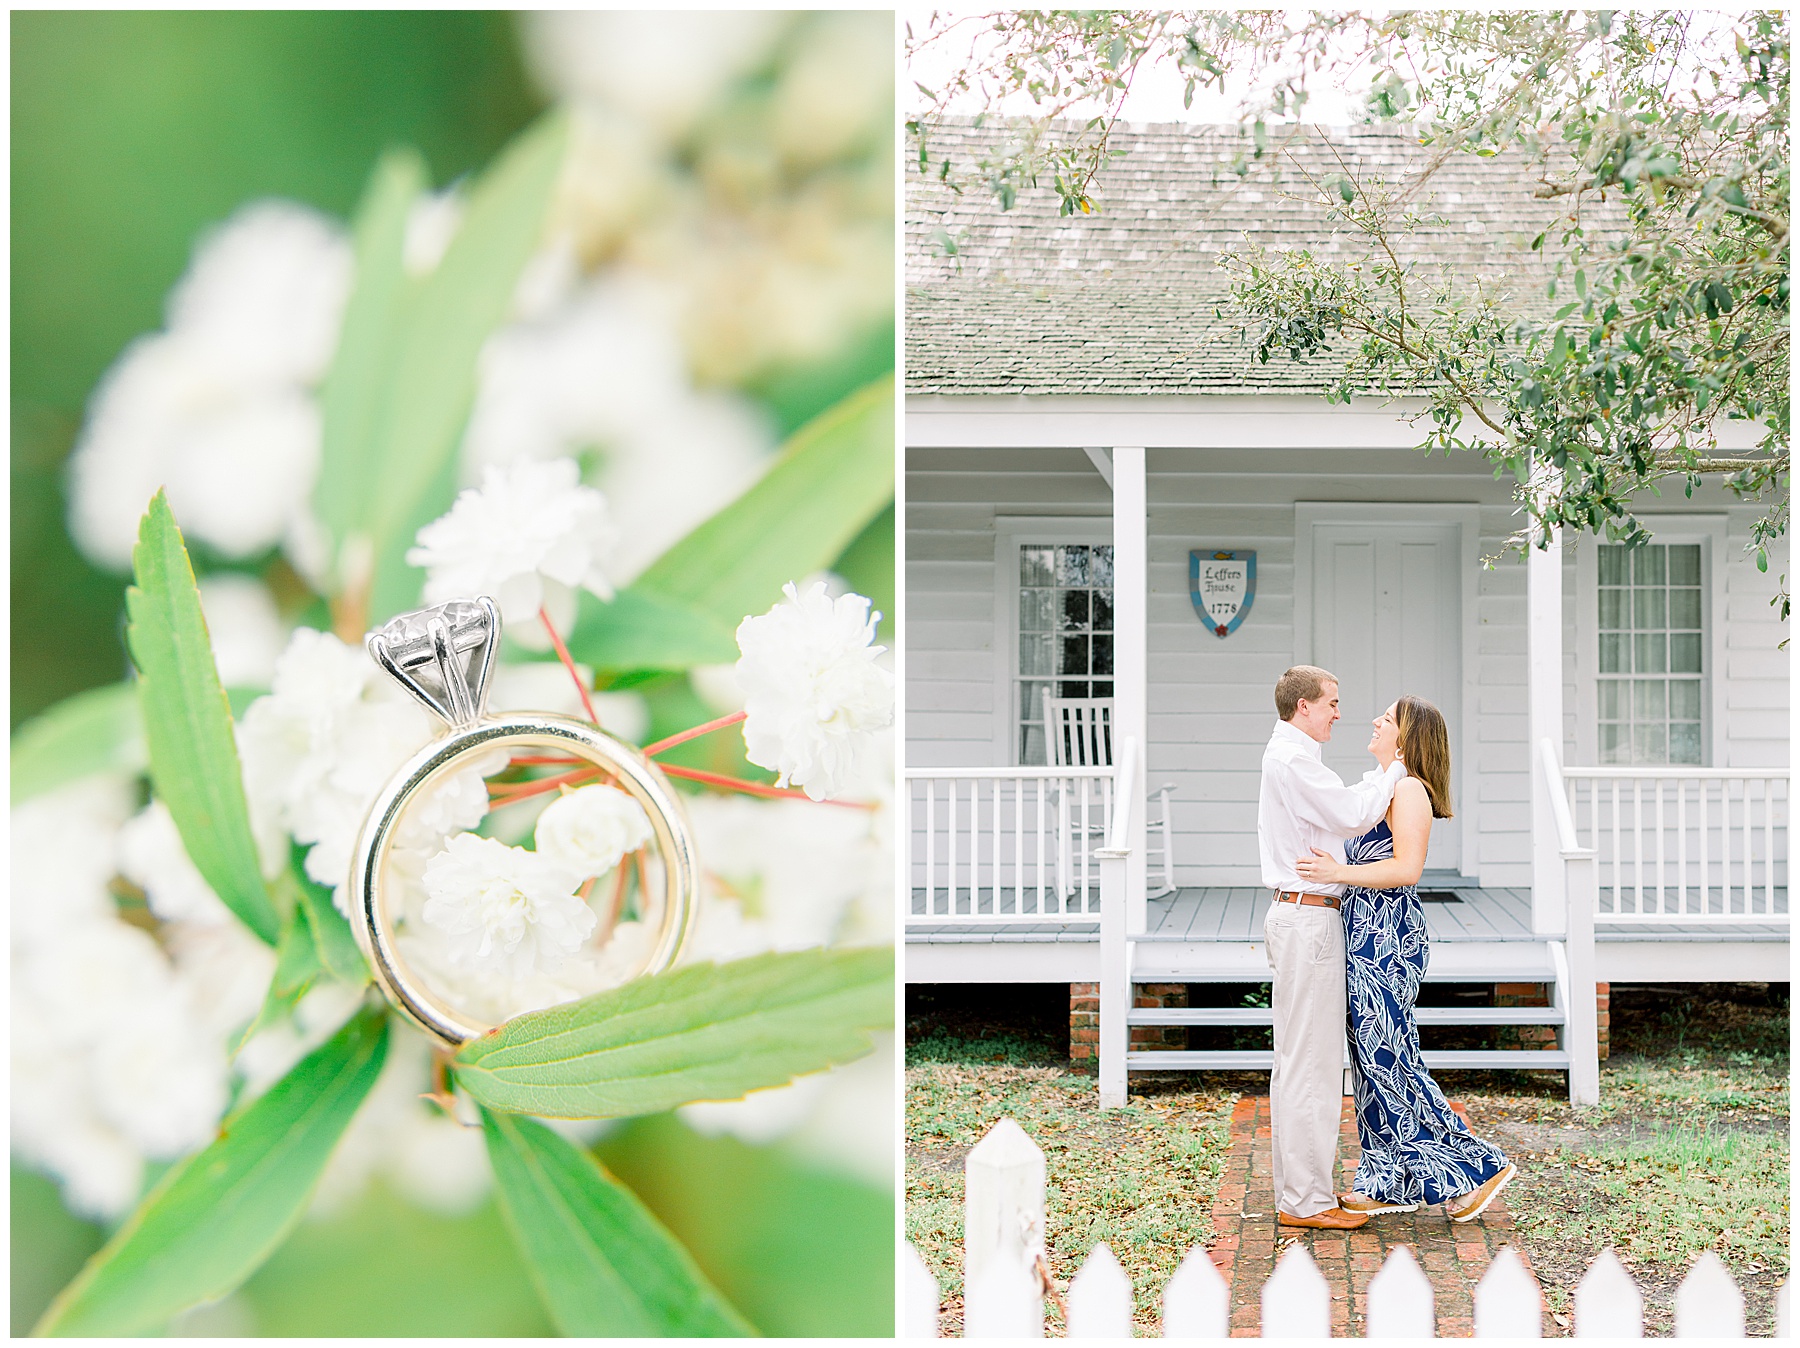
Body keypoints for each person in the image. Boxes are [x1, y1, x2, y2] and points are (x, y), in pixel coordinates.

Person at [1295, 695, 1518, 1221]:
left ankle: (1477, 1166)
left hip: (1385, 938)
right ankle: (1384, 1181)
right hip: (1362, 933)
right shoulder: (1385, 787)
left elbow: (1407, 870)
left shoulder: (1410, 789)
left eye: (1388, 718)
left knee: (1389, 1058)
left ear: (1407, 735)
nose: (1375, 721)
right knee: (1370, 1063)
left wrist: (1337, 874)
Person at [1257, 665, 1409, 1230]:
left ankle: (1304, 1193)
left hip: (1304, 915)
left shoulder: (1296, 759)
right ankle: (1306, 1202)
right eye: (1332, 704)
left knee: (1304, 1061)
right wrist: (1392, 769)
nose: (1339, 714)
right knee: (1313, 1065)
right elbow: (1350, 813)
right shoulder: (1292, 761)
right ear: (1303, 707)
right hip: (1307, 918)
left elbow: (1338, 816)